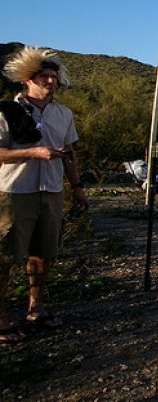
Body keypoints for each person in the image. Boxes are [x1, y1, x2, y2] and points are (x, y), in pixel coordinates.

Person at [0, 46, 89, 343]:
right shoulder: (7, 111)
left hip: (51, 191)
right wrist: (32, 153)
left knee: (43, 252)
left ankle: (35, 309)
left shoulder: (63, 114)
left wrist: (77, 187)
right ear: (27, 79)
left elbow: (70, 153)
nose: (50, 81)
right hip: (15, 191)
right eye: (43, 76)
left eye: (53, 76)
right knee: (6, 254)